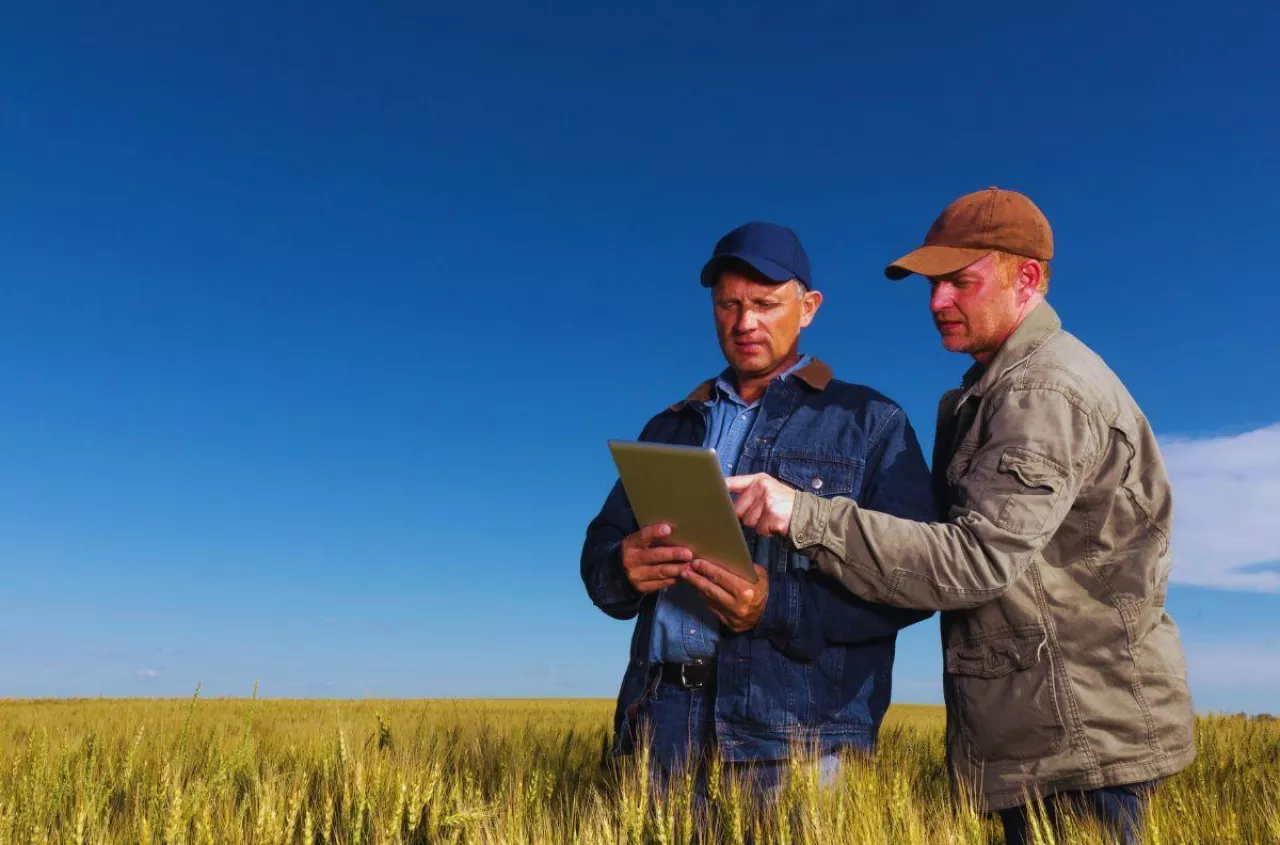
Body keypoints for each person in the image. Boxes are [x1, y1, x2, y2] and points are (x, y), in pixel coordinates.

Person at [723, 188, 1195, 843]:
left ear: (1025, 278)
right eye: (931, 284)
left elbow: (976, 561)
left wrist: (803, 513)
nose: (936, 301)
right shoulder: (1000, 388)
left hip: (1079, 749)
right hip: (1050, 737)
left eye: (958, 282)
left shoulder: (1042, 390)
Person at [581, 221, 935, 796]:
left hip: (796, 736)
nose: (744, 323)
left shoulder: (872, 424)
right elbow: (601, 548)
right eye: (729, 304)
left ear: (809, 307)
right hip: (659, 725)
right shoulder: (669, 426)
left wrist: (779, 605)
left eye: (766, 304)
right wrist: (621, 568)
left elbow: (917, 581)